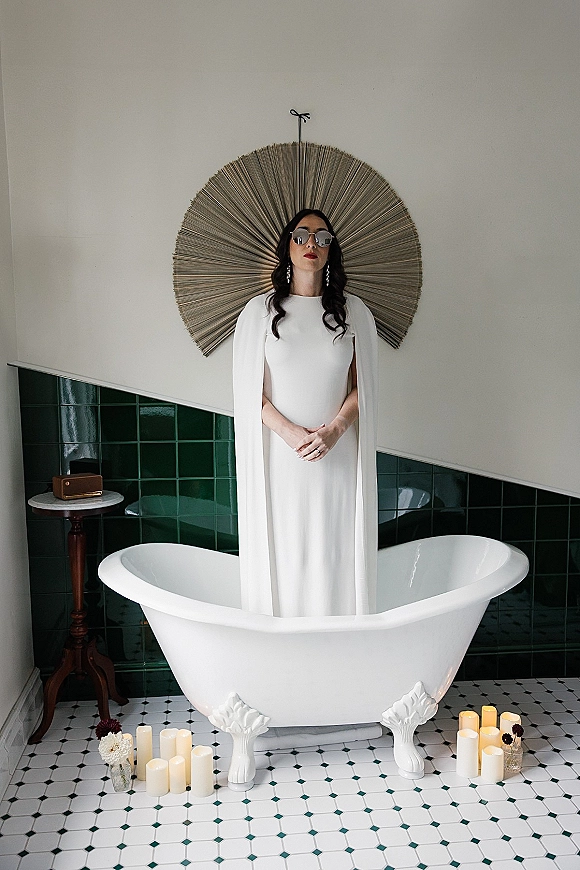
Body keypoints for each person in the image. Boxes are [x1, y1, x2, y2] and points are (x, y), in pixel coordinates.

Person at [233, 209, 378, 617]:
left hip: (338, 458)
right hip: (282, 460)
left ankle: (338, 654)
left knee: (335, 550)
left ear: (332, 250)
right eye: (302, 235)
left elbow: (362, 388)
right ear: (287, 246)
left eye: (322, 237)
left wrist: (335, 429)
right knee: (285, 549)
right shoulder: (257, 314)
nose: (311, 244)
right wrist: (290, 433)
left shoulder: (355, 315)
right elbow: (248, 394)